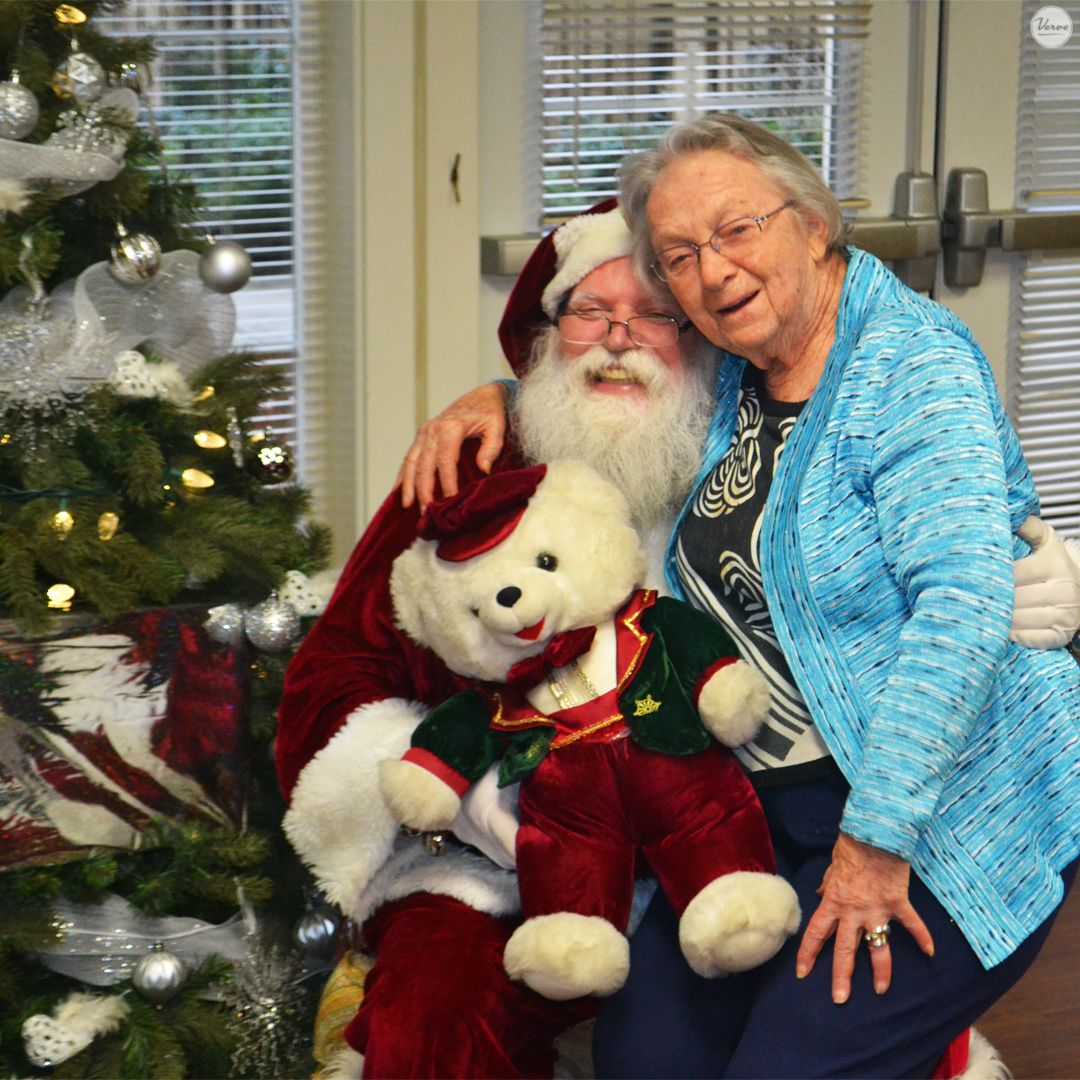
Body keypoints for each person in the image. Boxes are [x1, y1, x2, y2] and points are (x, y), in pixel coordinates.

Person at [396, 114, 1080, 1079]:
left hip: (936, 811)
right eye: (680, 255)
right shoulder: (741, 370)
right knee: (645, 1057)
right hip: (764, 809)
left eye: (737, 230)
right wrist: (498, 399)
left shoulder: (913, 370)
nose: (713, 271)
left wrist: (876, 843)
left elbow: (959, 614)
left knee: (790, 1067)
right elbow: (615, 378)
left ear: (812, 224)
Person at [276, 204, 720, 1079]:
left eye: (654, 315)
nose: (617, 340)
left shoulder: (752, 468)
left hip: (703, 851)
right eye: (588, 311)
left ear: (698, 335)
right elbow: (335, 675)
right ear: (544, 339)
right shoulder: (473, 468)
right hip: (486, 872)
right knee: (429, 1022)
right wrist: (474, 796)